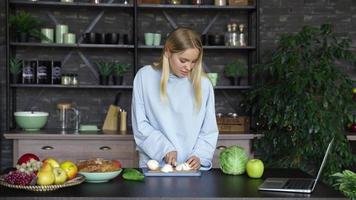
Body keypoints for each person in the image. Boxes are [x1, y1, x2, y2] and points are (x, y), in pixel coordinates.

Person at [131, 27, 219, 170]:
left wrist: (199, 156)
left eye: (193, 61)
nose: (188, 67)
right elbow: (140, 125)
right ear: (168, 51)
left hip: (190, 171)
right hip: (154, 168)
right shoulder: (144, 77)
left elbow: (208, 130)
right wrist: (164, 148)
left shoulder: (204, 84)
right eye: (183, 60)